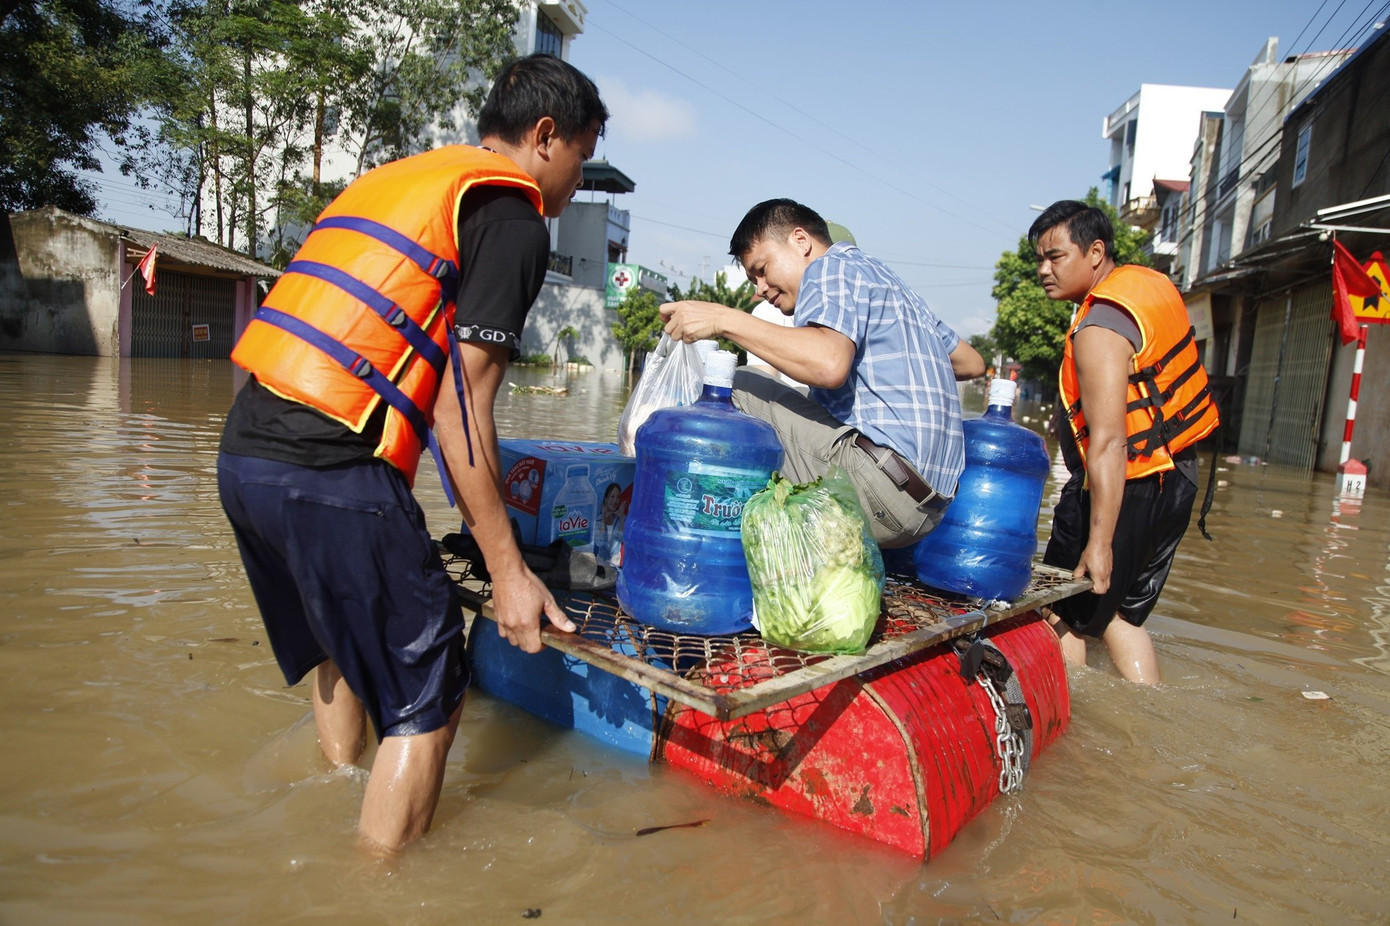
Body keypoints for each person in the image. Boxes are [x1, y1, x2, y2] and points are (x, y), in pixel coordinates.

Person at [216, 53, 607, 851]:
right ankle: (376, 890)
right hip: (329, 467)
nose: (577, 183)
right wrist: (508, 571)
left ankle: (341, 791)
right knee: (430, 690)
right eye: (582, 157)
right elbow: (461, 407)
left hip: (246, 452)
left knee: (337, 642)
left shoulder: (408, 179)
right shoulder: (512, 212)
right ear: (544, 137)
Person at [660, 198, 984, 549]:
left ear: (801, 241)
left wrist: (723, 319)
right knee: (784, 394)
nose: (759, 288)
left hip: (880, 493)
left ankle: (696, 532)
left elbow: (828, 365)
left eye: (762, 268)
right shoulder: (889, 281)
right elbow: (970, 362)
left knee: (740, 384)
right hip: (930, 509)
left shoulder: (829, 268)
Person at [1030, 200, 1219, 685]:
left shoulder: (1098, 328)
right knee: (1121, 617)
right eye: (1039, 258)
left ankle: (1076, 733)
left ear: (1095, 252)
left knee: (1060, 614)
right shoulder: (1148, 286)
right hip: (1178, 476)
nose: (1043, 269)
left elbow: (1111, 443)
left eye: (1055, 256)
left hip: (1125, 487)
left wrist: (1098, 543)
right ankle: (1149, 708)